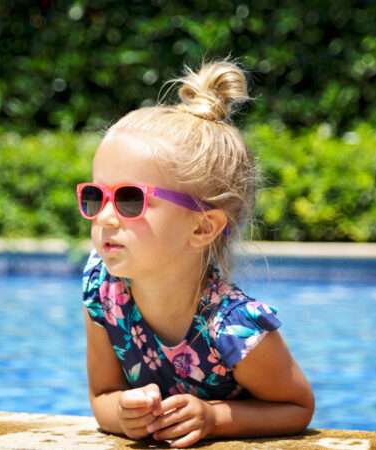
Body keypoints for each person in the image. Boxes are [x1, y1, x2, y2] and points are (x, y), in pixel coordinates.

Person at [77, 59, 314, 448]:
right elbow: (102, 396)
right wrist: (123, 414)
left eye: (130, 199)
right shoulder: (103, 292)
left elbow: (296, 406)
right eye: (95, 196)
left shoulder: (234, 328)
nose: (104, 217)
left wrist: (214, 417)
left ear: (202, 227)